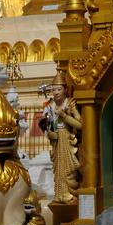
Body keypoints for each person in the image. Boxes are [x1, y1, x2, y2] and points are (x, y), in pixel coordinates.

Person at [40, 70, 82, 204]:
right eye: (53, 90)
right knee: (58, 171)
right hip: (57, 140)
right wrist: (50, 134)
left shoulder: (70, 104)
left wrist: (65, 116)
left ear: (65, 89)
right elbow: (43, 125)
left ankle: (69, 195)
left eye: (59, 89)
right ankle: (59, 195)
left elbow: (80, 125)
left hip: (67, 139)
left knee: (68, 170)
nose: (56, 92)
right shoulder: (51, 104)